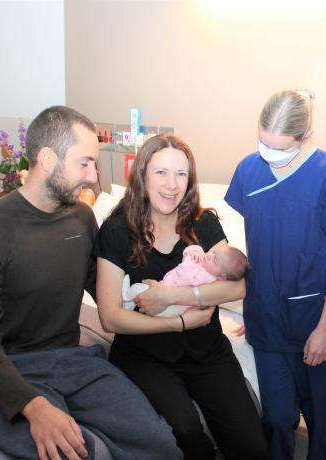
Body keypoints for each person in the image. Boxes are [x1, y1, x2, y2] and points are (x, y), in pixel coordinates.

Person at [0, 106, 181, 460]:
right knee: (75, 453)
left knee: (161, 445)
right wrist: (34, 407)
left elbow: (102, 289)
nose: (93, 176)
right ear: (47, 159)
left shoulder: (81, 218)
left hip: (70, 360)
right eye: (85, 163)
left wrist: (168, 302)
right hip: (7, 366)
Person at [95, 134, 269, 460]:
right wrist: (180, 322)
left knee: (253, 447)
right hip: (145, 356)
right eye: (161, 172)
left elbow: (238, 287)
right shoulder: (117, 231)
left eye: (181, 174)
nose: (172, 184)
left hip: (208, 354)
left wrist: (172, 295)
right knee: (187, 434)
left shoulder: (203, 224)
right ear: (143, 174)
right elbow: (110, 316)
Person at [225, 90, 326, 459]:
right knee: (277, 419)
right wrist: (255, 304)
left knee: (324, 425)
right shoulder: (248, 170)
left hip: (316, 320)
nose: (269, 154)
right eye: (263, 142)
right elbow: (262, 242)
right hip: (268, 321)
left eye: (280, 147)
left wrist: (325, 330)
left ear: (305, 136)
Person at [122, 244, 248, 317]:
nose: (209, 255)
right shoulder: (205, 264)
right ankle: (129, 304)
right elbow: (191, 248)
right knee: (142, 291)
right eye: (214, 252)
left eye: (214, 260)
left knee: (138, 289)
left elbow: (183, 274)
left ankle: (127, 298)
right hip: (165, 289)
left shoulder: (207, 278)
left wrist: (189, 260)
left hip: (174, 307)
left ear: (222, 277)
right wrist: (194, 252)